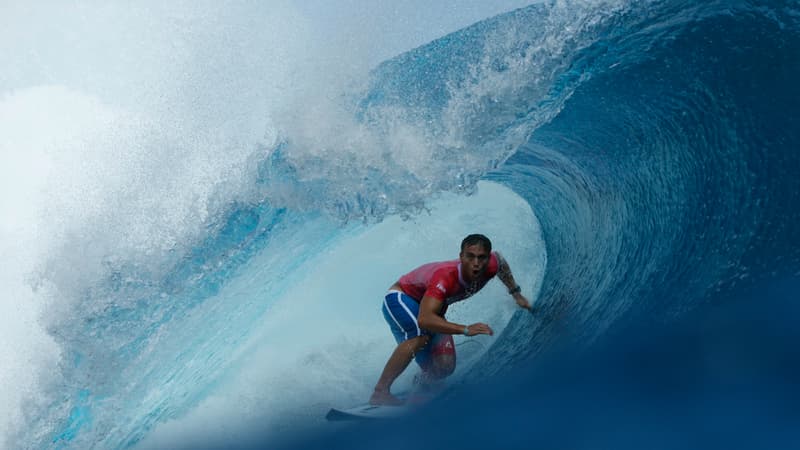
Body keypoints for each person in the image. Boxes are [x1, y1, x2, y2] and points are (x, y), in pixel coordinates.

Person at [370, 233, 532, 406]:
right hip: (402, 298)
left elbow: (500, 261)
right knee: (419, 336)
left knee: (444, 367)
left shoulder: (492, 265)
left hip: (431, 309)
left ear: (487, 258)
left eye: (481, 257)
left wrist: (516, 294)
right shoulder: (445, 276)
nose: (476, 263)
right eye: (470, 256)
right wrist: (465, 329)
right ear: (461, 256)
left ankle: (421, 383)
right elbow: (424, 319)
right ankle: (380, 392)